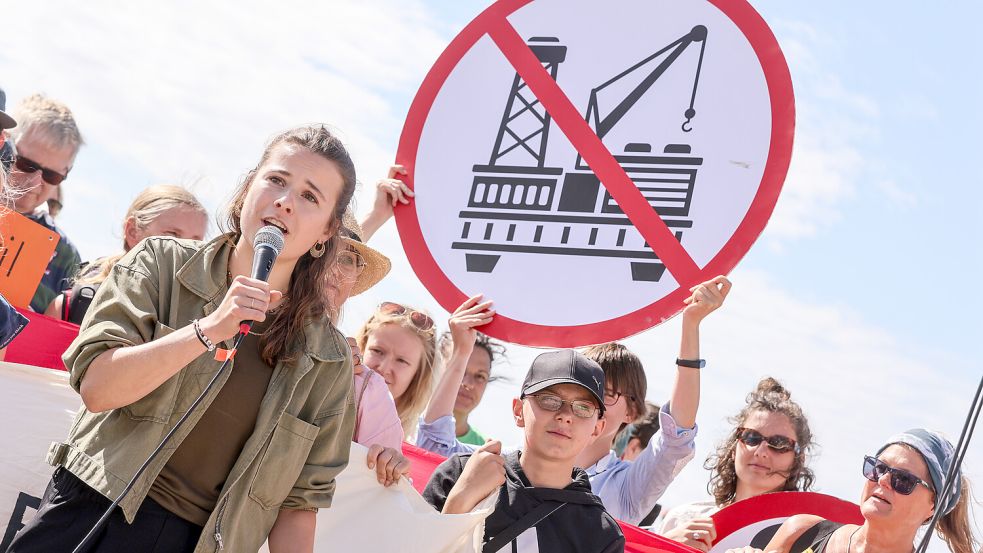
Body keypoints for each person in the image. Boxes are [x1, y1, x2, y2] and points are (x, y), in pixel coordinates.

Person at [6, 125, 358, 553]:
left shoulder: (329, 360)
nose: (285, 201)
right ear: (249, 187)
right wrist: (208, 330)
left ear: (326, 230)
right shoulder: (159, 262)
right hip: (89, 512)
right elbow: (98, 389)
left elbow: (299, 505)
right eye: (277, 180)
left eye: (310, 197)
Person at [423, 349, 625, 553]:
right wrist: (461, 501)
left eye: (583, 408)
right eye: (549, 400)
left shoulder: (600, 534)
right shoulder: (460, 473)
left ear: (597, 429)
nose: (565, 416)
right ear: (519, 411)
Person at [728, 429, 978, 553]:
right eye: (879, 468)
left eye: (903, 479)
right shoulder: (802, 532)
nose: (884, 481)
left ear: (932, 507)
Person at [658, 377, 816, 552]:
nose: (761, 451)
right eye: (751, 437)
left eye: (779, 443)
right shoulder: (681, 520)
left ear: (799, 459)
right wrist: (662, 546)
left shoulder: (807, 540)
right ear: (734, 448)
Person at [44, 184, 209, 323]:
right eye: (172, 235)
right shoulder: (72, 307)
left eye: (196, 242)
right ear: (132, 232)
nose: (186, 249)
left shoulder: (201, 324)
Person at [7, 94, 83, 313]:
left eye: (51, 175)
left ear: (66, 173)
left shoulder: (65, 256)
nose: (34, 182)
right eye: (25, 164)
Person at [354, 300, 439, 439]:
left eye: (401, 360)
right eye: (377, 351)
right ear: (361, 348)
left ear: (417, 376)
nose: (383, 368)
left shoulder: (415, 446)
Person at [436, 329, 506, 445]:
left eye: (480, 376)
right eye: (460, 370)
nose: (468, 384)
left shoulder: (484, 452)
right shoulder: (402, 429)